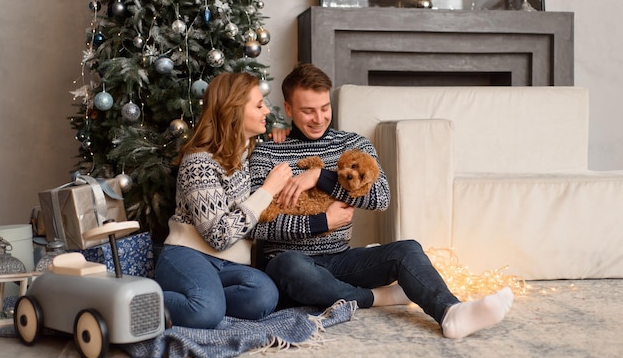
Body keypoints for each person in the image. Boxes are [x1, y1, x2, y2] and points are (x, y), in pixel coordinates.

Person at [249, 63, 513, 339]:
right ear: (288, 109)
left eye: (324, 108)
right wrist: (321, 221)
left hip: (340, 260)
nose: (319, 118)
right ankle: (375, 297)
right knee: (289, 266)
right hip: (290, 264)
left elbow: (381, 198)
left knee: (407, 249)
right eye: (308, 111)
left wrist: (321, 177)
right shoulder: (267, 151)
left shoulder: (353, 144)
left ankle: (451, 312)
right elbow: (255, 225)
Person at [155, 72, 292, 329]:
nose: (267, 111)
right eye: (259, 105)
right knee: (205, 312)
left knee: (265, 296)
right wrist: (267, 191)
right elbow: (218, 235)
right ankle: (140, 298)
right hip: (188, 255)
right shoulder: (199, 162)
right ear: (235, 111)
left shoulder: (243, 154)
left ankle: (203, 298)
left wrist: (284, 134)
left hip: (227, 265)